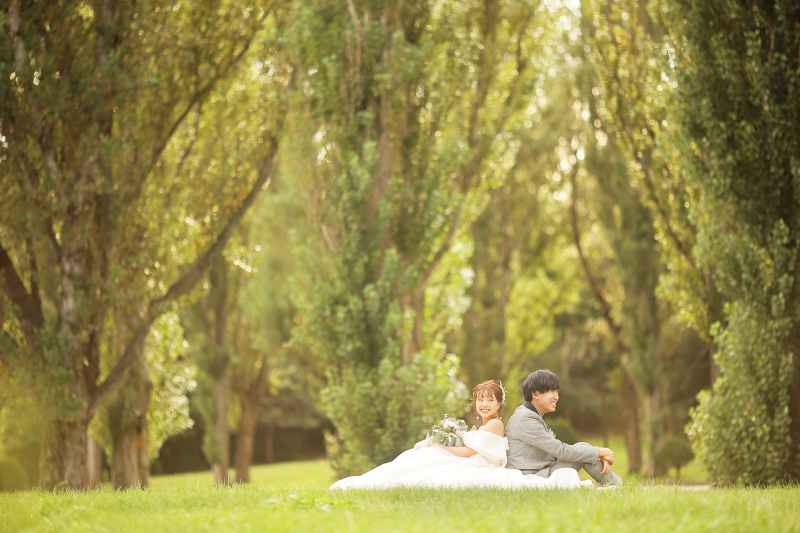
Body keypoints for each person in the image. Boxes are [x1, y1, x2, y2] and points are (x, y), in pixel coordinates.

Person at [330, 380, 592, 490]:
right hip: (470, 458)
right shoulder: (482, 426)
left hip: (477, 463)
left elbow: (470, 453)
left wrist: (441, 448)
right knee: (415, 457)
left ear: (499, 404)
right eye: (480, 400)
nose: (484, 405)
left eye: (489, 400)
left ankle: (377, 481)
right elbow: (467, 447)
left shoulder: (496, 425)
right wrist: (442, 441)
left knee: (426, 459)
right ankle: (373, 479)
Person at [506, 369, 623, 486]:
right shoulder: (526, 419)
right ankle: (617, 485)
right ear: (536, 394)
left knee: (583, 451)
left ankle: (616, 484)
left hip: (540, 471)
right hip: (531, 477)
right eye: (552, 391)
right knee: (583, 450)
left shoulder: (527, 414)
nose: (556, 397)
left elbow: (556, 452)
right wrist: (598, 452)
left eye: (557, 392)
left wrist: (595, 455)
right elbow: (560, 450)